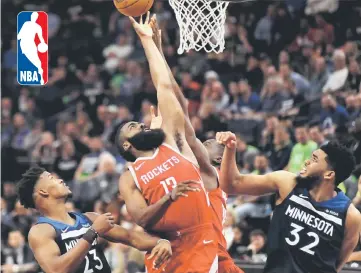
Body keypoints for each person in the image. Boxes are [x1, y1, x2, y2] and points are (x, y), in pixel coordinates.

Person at [117, 13, 217, 273]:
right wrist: (168, 199)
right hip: (164, 247)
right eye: (132, 127)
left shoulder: (171, 142)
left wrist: (148, 42)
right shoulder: (130, 177)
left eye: (138, 123)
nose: (139, 124)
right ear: (126, 146)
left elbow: (164, 86)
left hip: (199, 239)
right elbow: (140, 218)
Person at [149, 17, 243, 273]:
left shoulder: (210, 175)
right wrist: (158, 52)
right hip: (210, 254)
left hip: (210, 257)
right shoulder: (204, 174)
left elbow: (180, 108)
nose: (208, 140)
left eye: (212, 144)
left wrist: (154, 48)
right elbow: (181, 107)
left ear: (217, 161)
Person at [216, 132, 361, 273]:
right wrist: (230, 149)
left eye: (315, 160)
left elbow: (337, 264)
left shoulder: (350, 215)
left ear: (329, 174)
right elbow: (232, 184)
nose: (306, 161)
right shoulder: (288, 183)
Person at [17, 166, 172, 273]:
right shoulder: (41, 231)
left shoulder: (89, 218)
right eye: (51, 178)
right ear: (43, 191)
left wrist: (160, 242)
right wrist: (92, 233)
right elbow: (57, 270)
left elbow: (132, 238)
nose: (60, 180)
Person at [17, 12, 47, 84]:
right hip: (24, 44)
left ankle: (40, 76)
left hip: (31, 45)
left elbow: (41, 38)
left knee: (37, 62)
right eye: (33, 16)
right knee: (29, 60)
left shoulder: (37, 27)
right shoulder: (26, 24)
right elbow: (19, 36)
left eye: (35, 17)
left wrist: (43, 44)